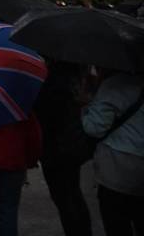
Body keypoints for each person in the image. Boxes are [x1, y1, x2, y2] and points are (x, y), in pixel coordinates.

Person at [82, 67, 144, 235]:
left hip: (116, 168)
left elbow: (94, 128)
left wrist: (85, 111)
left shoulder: (114, 85)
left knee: (117, 222)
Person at [35, 61, 93, 236]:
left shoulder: (49, 83)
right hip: (71, 145)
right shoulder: (73, 77)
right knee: (73, 192)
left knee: (64, 197)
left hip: (53, 147)